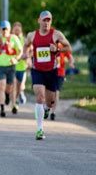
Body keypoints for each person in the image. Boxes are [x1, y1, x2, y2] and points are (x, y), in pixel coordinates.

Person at [22, 10, 72, 140]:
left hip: (51, 71)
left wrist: (58, 49)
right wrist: (25, 54)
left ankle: (47, 109)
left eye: (48, 20)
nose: (46, 23)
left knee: (50, 102)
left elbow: (68, 48)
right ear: (39, 20)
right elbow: (26, 45)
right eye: (44, 20)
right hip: (37, 70)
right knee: (39, 97)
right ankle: (39, 130)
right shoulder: (32, 35)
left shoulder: (56, 34)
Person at [0, 20, 23, 117]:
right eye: (3, 29)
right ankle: (2, 108)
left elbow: (20, 51)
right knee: (1, 86)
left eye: (6, 29)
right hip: (0, 66)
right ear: (1, 29)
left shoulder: (14, 38)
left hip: (11, 66)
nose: (4, 31)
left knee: (9, 87)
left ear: (9, 29)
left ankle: (8, 95)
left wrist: (16, 59)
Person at [50, 43, 75, 120]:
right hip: (49, 72)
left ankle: (53, 112)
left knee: (56, 92)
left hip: (60, 73)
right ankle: (47, 106)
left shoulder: (62, 47)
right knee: (50, 92)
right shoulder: (48, 45)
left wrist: (71, 62)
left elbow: (70, 56)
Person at [12, 22, 28, 105]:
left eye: (18, 29)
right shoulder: (10, 39)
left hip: (22, 67)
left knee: (20, 86)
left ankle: (19, 95)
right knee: (14, 86)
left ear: (21, 30)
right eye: (15, 30)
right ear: (13, 30)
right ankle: (15, 102)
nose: (17, 31)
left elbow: (28, 52)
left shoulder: (24, 40)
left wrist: (26, 56)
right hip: (12, 67)